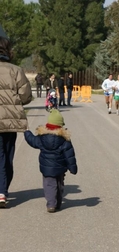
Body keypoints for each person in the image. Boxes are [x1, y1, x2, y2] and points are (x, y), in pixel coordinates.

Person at [0, 36, 33, 207]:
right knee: (7, 154)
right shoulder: (16, 70)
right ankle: (2, 191)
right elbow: (26, 95)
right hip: (11, 120)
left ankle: (1, 191)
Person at [24, 109, 77, 212]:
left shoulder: (42, 138)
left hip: (46, 168)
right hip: (61, 168)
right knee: (59, 185)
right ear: (61, 126)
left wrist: (27, 132)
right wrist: (73, 168)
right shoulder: (64, 139)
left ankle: (51, 204)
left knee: (49, 185)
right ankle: (58, 203)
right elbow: (70, 155)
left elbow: (32, 141)